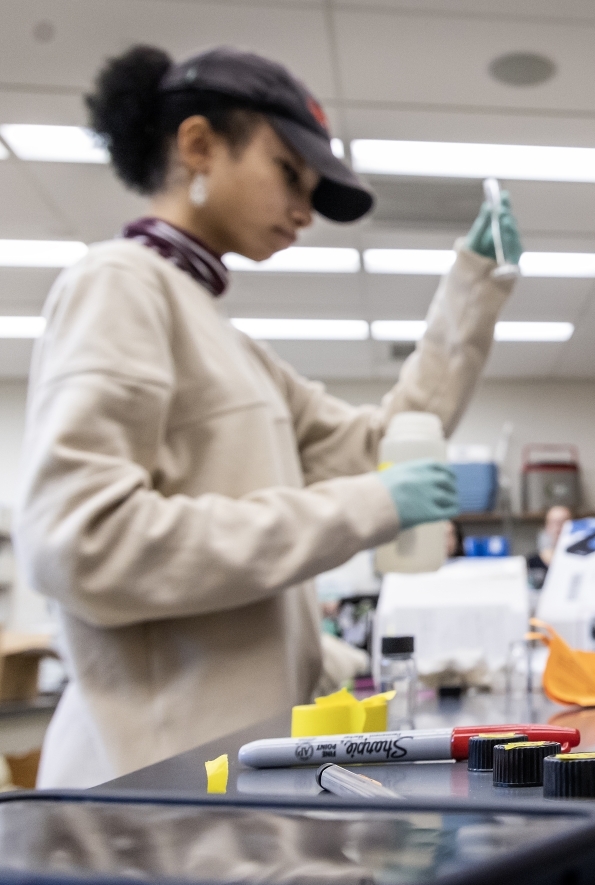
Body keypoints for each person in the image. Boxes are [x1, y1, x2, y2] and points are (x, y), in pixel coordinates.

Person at [14, 45, 522, 788]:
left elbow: (384, 446)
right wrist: (368, 506)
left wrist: (469, 292)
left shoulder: (234, 347)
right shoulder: (118, 283)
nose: (304, 210)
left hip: (229, 782)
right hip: (154, 796)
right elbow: (82, 545)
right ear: (198, 144)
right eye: (290, 172)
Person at [526, 505, 573, 590]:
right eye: (554, 523)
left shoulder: (579, 560)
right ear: (547, 526)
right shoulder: (532, 562)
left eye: (563, 523)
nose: (558, 528)